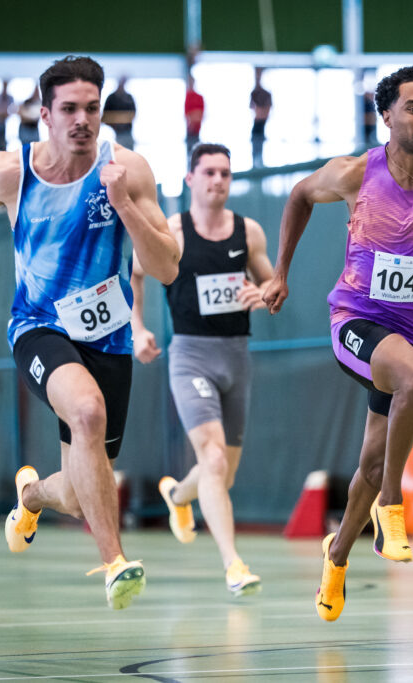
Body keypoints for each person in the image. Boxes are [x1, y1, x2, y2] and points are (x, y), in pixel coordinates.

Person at [0, 55, 180, 611]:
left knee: (74, 493)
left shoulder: (129, 170)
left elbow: (166, 267)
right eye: (69, 109)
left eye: (92, 109)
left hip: (109, 338)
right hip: (38, 328)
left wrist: (123, 203)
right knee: (88, 412)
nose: (82, 120)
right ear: (44, 115)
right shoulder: (10, 172)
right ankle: (116, 563)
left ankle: (31, 495)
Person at [261, 65, 413, 622]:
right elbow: (299, 196)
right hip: (359, 320)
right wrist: (280, 272)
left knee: (371, 463)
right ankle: (392, 504)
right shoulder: (355, 174)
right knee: (412, 382)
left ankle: (337, 556)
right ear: (387, 116)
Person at [130, 143, 274, 598]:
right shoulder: (172, 230)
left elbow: (273, 284)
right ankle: (234, 565)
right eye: (209, 172)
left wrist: (264, 293)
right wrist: (137, 327)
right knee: (212, 460)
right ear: (190, 179)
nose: (218, 181)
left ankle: (177, 496)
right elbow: (135, 272)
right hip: (191, 356)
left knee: (222, 475)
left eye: (225, 173)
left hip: (236, 356)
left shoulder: (249, 232)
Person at [102, 76, 136, 149]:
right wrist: (114, 124)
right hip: (113, 132)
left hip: (126, 132)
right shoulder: (111, 98)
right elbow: (105, 116)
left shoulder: (128, 97)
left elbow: (133, 114)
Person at [249, 68, 271, 166]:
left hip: (260, 125)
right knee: (256, 149)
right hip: (257, 125)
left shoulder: (266, 94)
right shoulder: (254, 93)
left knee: (258, 147)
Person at [184, 73, 204, 151]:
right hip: (189, 129)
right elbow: (187, 113)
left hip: (197, 130)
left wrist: (194, 115)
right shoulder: (187, 96)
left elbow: (200, 113)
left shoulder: (199, 97)